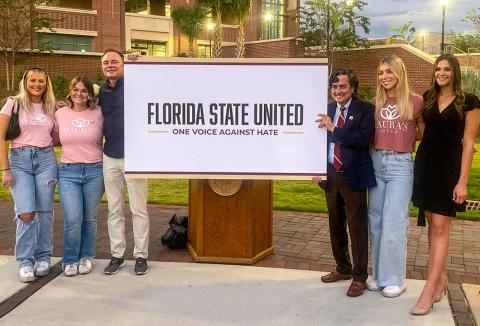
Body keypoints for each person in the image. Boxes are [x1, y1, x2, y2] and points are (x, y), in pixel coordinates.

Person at [412, 54, 480, 315]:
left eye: (446, 69)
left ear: (455, 72)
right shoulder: (429, 96)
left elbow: (469, 143)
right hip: (426, 165)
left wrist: (462, 182)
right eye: (438, 69)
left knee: (441, 228)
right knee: (431, 224)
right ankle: (440, 279)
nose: (441, 73)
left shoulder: (469, 102)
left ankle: (428, 291)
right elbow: (421, 132)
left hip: (448, 169)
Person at [314, 68, 376, 297]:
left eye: (342, 86)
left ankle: (359, 277)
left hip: (353, 176)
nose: (337, 91)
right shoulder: (326, 110)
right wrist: (315, 168)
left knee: (357, 227)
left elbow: (361, 140)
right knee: (335, 224)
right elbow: (315, 142)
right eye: (334, 87)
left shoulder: (366, 110)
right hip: (330, 174)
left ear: (352, 88)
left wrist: (334, 128)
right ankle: (343, 268)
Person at [367, 54, 425, 298]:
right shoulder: (376, 102)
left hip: (401, 164)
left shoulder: (416, 101)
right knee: (376, 220)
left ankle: (395, 279)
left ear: (399, 73)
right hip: (376, 161)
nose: (384, 77)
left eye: (389, 72)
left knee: (395, 221)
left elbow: (423, 133)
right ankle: (379, 275)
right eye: (381, 73)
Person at [0, 67, 57, 282]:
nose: (37, 84)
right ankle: (25, 260)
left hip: (46, 160)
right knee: (26, 212)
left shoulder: (50, 106)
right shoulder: (13, 103)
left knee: (44, 211)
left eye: (41, 80)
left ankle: (43, 256)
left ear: (46, 83)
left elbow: (56, 137)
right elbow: (1, 138)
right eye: (33, 80)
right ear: (26, 82)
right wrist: (5, 169)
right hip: (19, 161)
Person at [99, 49, 150, 275]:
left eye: (114, 61)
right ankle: (117, 255)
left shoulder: (137, 85)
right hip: (109, 156)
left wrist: (141, 61)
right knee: (114, 209)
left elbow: (157, 79)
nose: (110, 65)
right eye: (106, 62)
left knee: (139, 210)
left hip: (135, 156)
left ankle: (141, 256)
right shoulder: (101, 90)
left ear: (123, 64)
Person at [55, 76, 104, 276]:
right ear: (70, 91)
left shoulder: (100, 112)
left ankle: (86, 256)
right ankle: (70, 259)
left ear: (90, 94)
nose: (79, 94)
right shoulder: (60, 113)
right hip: (68, 172)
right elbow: (54, 139)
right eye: (75, 89)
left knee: (89, 218)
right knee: (73, 218)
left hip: (95, 170)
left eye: (84, 91)